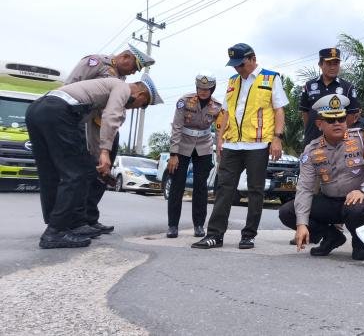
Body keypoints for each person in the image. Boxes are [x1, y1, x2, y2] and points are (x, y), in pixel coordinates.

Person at [27, 75, 163, 248]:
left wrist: (97, 157)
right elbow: (111, 116)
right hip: (59, 113)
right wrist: (106, 151)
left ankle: (63, 225)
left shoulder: (102, 92)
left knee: (51, 173)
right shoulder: (122, 87)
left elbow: (91, 128)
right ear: (142, 95)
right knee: (76, 175)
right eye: (142, 105)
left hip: (37, 110)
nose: (136, 108)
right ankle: (56, 231)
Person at [192, 43, 289, 250]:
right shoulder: (233, 81)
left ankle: (249, 235)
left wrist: (277, 138)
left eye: (241, 64)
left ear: (253, 59)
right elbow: (226, 112)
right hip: (233, 144)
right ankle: (215, 235)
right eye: (235, 65)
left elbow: (279, 110)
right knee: (224, 188)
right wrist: (220, 139)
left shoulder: (271, 78)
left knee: (255, 190)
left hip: (258, 144)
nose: (238, 69)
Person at [278, 94, 364, 261]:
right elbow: (306, 188)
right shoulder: (311, 150)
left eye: (341, 119)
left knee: (356, 209)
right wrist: (301, 224)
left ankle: (360, 243)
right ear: (319, 124)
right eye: (331, 120)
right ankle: (331, 237)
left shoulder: (363, 137)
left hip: (358, 200)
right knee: (287, 212)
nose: (337, 123)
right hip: (330, 201)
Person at [63, 43, 155, 237]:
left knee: (100, 175)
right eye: (133, 68)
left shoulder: (120, 79)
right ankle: (75, 221)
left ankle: (89, 218)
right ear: (126, 57)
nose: (132, 73)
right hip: (83, 124)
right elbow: (69, 88)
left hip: (104, 128)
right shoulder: (95, 62)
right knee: (85, 173)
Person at [165, 72, 222, 239]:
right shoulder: (184, 101)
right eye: (200, 88)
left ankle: (198, 225)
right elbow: (176, 126)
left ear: (212, 89)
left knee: (200, 186)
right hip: (182, 144)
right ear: (196, 88)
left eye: (207, 89)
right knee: (177, 184)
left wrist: (219, 153)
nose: (203, 91)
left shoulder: (217, 106)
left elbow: (219, 130)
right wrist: (173, 153)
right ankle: (173, 226)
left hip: (204, 145)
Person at [299, 48, 360, 147]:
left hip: (339, 143)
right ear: (320, 65)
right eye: (329, 63)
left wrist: (339, 133)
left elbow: (351, 115)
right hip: (312, 140)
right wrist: (311, 129)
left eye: (336, 64)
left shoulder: (348, 87)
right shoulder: (309, 86)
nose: (333, 67)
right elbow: (305, 112)